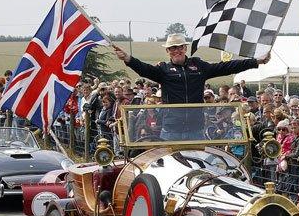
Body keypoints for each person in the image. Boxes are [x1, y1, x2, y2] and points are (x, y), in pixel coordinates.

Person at [113, 33, 270, 140]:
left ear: (185, 48)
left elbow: (226, 67)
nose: (177, 50)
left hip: (196, 128)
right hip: (171, 129)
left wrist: (255, 61)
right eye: (173, 48)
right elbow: (144, 69)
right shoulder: (163, 70)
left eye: (180, 46)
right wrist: (128, 58)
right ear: (168, 51)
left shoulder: (199, 66)